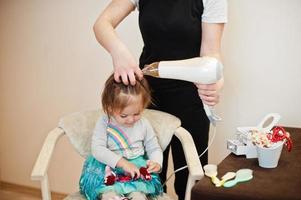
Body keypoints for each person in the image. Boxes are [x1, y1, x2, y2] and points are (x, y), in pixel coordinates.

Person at [93, 0, 227, 199]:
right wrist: (118, 52)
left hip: (191, 94)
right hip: (147, 95)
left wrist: (216, 82)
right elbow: (102, 23)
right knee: (149, 176)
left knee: (189, 180)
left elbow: (211, 53)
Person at [79, 74, 164, 200]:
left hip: (136, 168)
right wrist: (122, 163)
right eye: (124, 116)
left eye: (137, 113)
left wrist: (157, 162)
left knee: (139, 196)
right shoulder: (105, 123)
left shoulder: (144, 124)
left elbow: (154, 148)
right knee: (109, 195)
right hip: (108, 167)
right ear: (110, 108)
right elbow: (98, 149)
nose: (131, 120)